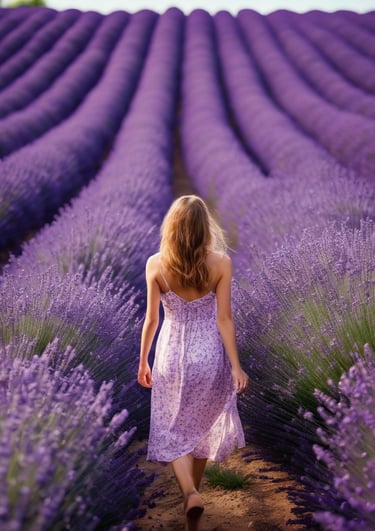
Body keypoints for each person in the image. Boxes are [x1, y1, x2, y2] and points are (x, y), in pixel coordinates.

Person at [138, 194, 249, 530]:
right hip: (209, 357)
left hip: (171, 355)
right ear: (205, 228)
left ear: (171, 228)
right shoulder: (221, 263)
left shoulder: (156, 264)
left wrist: (143, 359)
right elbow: (225, 319)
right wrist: (235, 365)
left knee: (172, 430)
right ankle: (193, 505)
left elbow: (152, 320)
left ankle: (189, 493)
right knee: (199, 432)